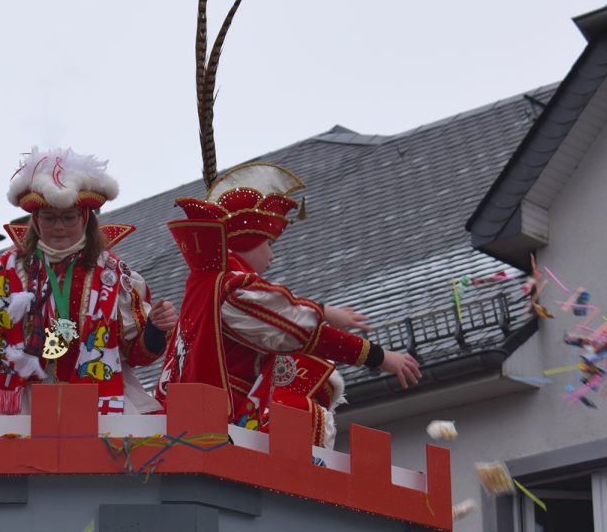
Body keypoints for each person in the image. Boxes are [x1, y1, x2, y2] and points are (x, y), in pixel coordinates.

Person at [154, 162, 421, 446]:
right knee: (302, 392)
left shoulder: (204, 284)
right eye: (269, 243)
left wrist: (326, 313)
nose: (272, 256)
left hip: (194, 419)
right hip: (224, 427)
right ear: (248, 241)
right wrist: (379, 357)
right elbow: (302, 333)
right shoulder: (233, 289)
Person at [0, 147, 176, 415]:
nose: (59, 226)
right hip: (24, 407)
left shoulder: (112, 274)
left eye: (69, 217)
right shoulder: (2, 273)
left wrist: (155, 328)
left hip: (98, 403)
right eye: (49, 218)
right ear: (35, 221)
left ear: (85, 220)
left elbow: (138, 354)